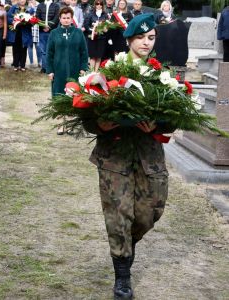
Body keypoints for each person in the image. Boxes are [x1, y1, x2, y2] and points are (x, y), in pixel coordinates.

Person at [83, 13, 175, 299]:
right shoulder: (110, 71)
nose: (146, 43)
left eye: (151, 38)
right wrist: (101, 124)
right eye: (141, 38)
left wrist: (157, 125)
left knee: (151, 211)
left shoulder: (162, 77)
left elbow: (173, 117)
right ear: (129, 39)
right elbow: (87, 113)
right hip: (115, 157)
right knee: (118, 216)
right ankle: (122, 277)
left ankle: (127, 246)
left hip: (149, 156)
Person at [47, 6, 88, 135]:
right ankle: (60, 124)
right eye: (63, 18)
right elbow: (49, 53)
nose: (66, 20)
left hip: (75, 71)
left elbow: (84, 52)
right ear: (60, 19)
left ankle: (70, 124)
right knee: (59, 96)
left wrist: (83, 68)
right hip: (58, 71)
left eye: (68, 18)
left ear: (71, 19)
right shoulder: (54, 33)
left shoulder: (78, 33)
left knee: (73, 96)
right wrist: (50, 70)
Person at [7, 0, 32, 71]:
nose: (22, 0)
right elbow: (8, 17)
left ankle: (22, 65)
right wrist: (14, 21)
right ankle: (16, 65)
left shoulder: (29, 8)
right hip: (15, 31)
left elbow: (33, 19)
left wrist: (28, 21)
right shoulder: (13, 8)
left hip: (25, 31)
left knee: (24, 48)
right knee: (15, 48)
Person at [36, 0, 60, 73]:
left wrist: (49, 26)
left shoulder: (56, 6)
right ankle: (44, 68)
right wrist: (43, 26)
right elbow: (37, 17)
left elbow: (56, 18)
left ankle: (52, 68)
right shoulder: (40, 5)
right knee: (43, 51)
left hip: (52, 31)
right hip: (42, 31)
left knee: (52, 50)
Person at [84, 0, 108, 71]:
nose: (99, 5)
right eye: (97, 4)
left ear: (103, 5)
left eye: (101, 4)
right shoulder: (90, 14)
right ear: (95, 5)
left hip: (102, 38)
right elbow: (86, 25)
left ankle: (96, 71)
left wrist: (105, 29)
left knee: (99, 56)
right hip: (92, 38)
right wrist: (92, 31)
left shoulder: (105, 15)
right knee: (92, 56)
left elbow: (107, 26)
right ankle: (91, 72)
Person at [28, 0, 42, 67]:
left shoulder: (39, 5)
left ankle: (40, 61)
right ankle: (31, 62)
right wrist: (31, 8)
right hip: (29, 28)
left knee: (38, 46)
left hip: (37, 28)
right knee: (29, 46)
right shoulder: (27, 6)